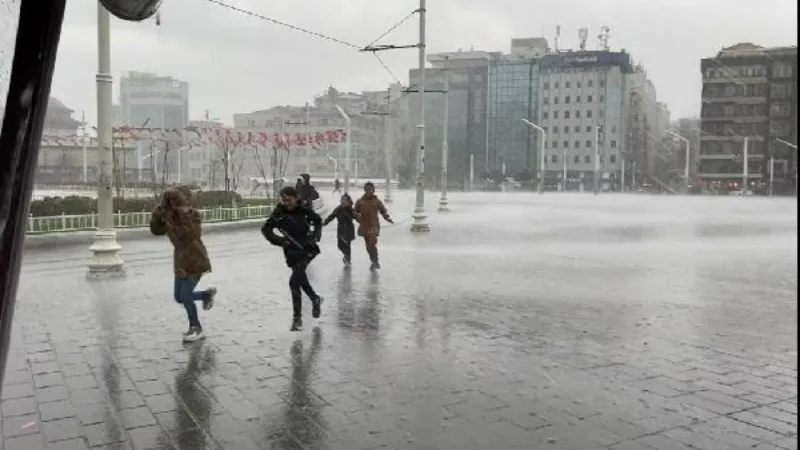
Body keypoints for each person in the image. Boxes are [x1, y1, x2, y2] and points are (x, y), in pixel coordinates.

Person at [150, 187, 217, 342]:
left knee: (186, 296)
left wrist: (182, 214)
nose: (173, 205)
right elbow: (156, 231)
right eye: (169, 202)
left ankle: (196, 328)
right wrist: (156, 216)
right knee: (179, 297)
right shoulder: (168, 216)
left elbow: (191, 235)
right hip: (180, 260)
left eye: (175, 201)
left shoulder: (192, 214)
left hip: (196, 259)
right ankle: (205, 295)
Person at [261, 186, 324, 331]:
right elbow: (266, 229)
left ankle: (297, 319)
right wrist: (280, 241)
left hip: (307, 250)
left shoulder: (304, 209)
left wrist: (315, 235)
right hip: (291, 251)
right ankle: (315, 299)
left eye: (289, 200)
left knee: (294, 281)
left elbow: (318, 220)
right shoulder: (279, 213)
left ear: (296, 198)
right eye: (284, 200)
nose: (286, 203)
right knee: (300, 277)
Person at [354, 182, 393, 271]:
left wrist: (387, 218)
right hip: (364, 226)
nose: (369, 191)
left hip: (374, 226)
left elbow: (383, 210)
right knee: (368, 246)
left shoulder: (377, 201)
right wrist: (357, 215)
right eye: (367, 189)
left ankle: (376, 261)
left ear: (373, 190)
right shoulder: (360, 201)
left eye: (370, 189)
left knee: (372, 243)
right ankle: (373, 260)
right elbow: (354, 211)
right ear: (364, 190)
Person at [323, 193, 356, 266]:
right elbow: (331, 216)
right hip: (341, 229)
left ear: (348, 201)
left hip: (349, 229)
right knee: (340, 245)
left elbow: (356, 217)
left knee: (347, 245)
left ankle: (348, 259)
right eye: (342, 200)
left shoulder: (351, 209)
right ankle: (345, 255)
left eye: (345, 200)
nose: (343, 201)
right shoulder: (338, 209)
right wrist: (325, 222)